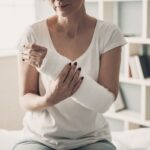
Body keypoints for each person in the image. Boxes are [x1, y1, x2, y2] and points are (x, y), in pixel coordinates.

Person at [13, 0, 126, 150]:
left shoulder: (109, 34)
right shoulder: (32, 34)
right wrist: (49, 99)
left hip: (91, 139)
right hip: (39, 138)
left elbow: (104, 102)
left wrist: (52, 64)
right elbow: (25, 98)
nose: (58, 1)